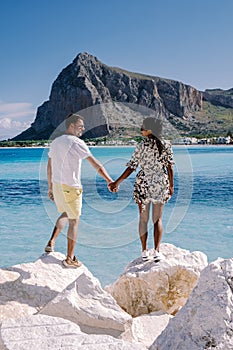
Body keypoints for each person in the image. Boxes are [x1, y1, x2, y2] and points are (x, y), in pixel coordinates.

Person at [45, 113, 113, 268]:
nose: (83, 129)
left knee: (65, 213)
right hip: (71, 187)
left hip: (57, 186)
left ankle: (52, 242)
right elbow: (95, 164)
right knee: (74, 221)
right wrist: (109, 180)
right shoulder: (77, 143)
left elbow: (49, 166)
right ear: (71, 126)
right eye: (80, 126)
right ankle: (70, 258)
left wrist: (50, 187)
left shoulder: (55, 142)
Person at [108, 117, 174, 262]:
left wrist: (116, 182)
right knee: (158, 220)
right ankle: (157, 251)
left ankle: (144, 251)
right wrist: (171, 185)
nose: (141, 130)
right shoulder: (166, 144)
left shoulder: (141, 146)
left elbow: (132, 167)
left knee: (143, 220)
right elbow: (169, 166)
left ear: (149, 130)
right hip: (160, 183)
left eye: (142, 128)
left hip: (143, 184)